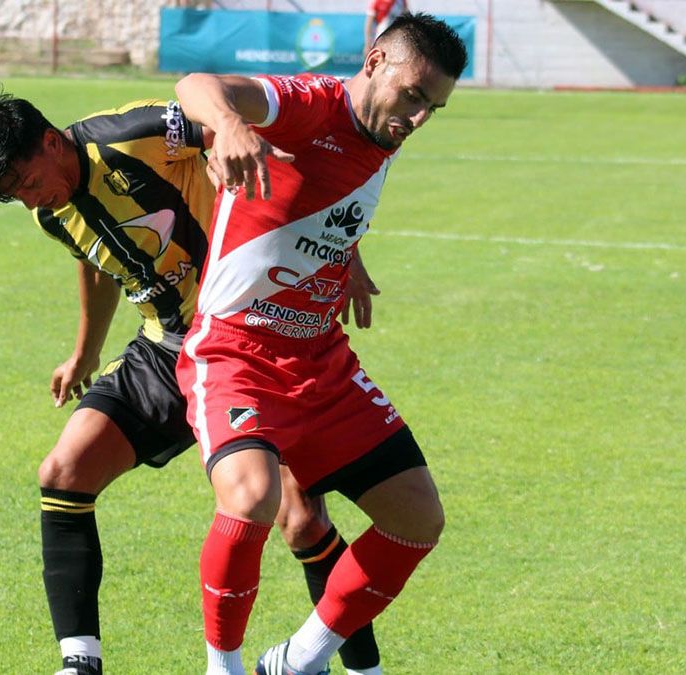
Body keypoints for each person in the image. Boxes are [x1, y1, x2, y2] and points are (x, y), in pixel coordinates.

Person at [0, 94, 384, 675]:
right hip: (165, 349)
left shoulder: (135, 134)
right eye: (14, 195)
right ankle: (80, 663)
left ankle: (361, 670)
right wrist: (85, 354)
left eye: (28, 182)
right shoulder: (49, 210)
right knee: (63, 472)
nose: (29, 199)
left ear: (51, 141)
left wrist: (335, 246)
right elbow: (94, 259)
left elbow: (258, 146)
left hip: (247, 345)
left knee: (302, 520)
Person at [173, 12, 468, 675]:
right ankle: (223, 667)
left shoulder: (383, 135)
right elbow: (196, 83)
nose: (418, 118)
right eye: (414, 95)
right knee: (251, 498)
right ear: (374, 65)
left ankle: (299, 660)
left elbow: (330, 198)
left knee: (418, 518)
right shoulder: (310, 105)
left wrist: (346, 254)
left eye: (434, 108)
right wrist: (231, 125)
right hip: (236, 355)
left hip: (321, 364)